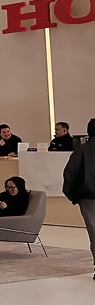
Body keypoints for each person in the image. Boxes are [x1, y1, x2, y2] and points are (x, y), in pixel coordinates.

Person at [63, 118, 95, 281]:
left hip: (88, 197)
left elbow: (70, 173)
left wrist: (73, 196)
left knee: (94, 233)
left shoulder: (81, 150)